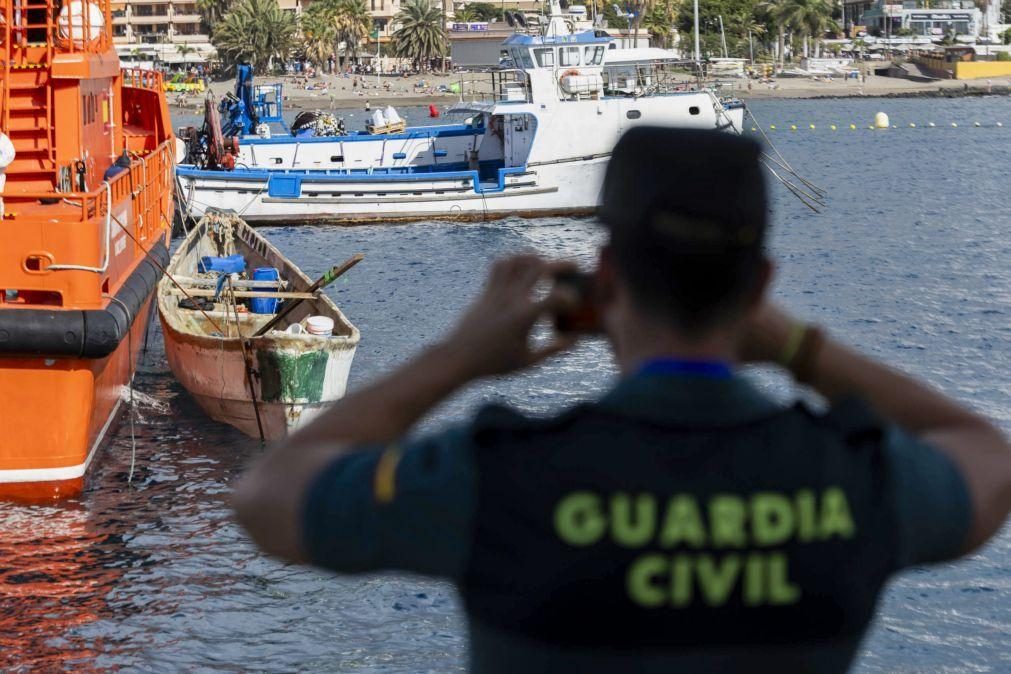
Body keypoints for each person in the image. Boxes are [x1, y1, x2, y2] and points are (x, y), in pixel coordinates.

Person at [233, 128, 1011, 673]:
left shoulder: (496, 479)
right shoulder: (853, 480)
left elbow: (269, 497)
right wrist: (797, 348)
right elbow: (985, 458)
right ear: (761, 288)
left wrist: (457, 358)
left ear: (603, 281)